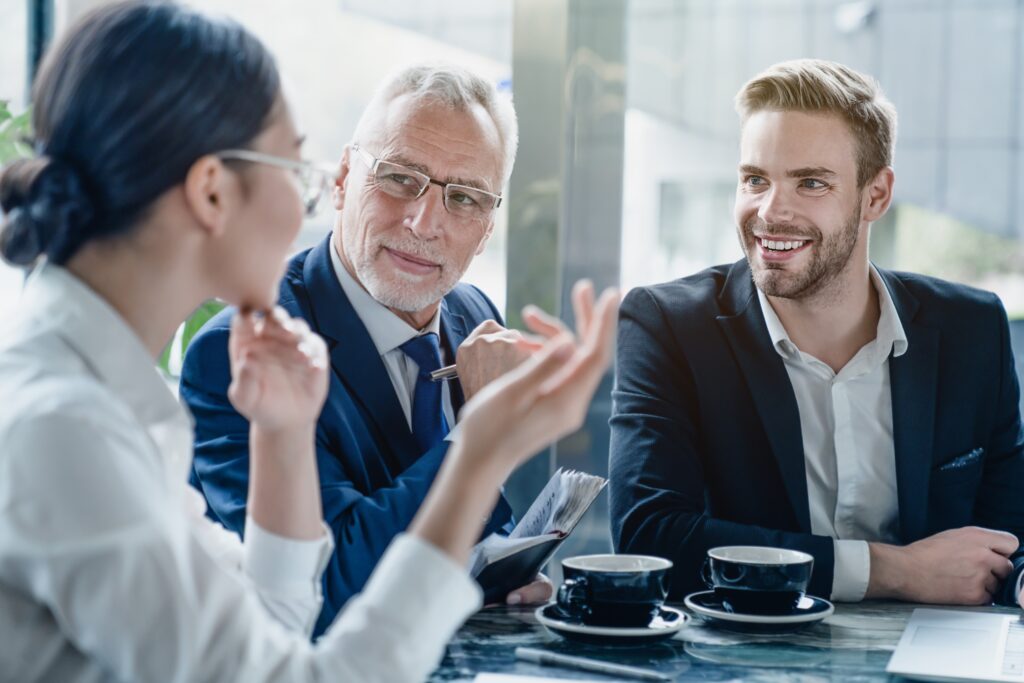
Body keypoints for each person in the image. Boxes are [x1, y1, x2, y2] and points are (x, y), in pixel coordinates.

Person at [0, 3, 618, 682]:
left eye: (466, 198)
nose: (309, 204)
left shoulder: (106, 403)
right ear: (211, 192)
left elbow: (272, 621)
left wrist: (285, 438)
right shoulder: (65, 429)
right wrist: (476, 454)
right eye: (297, 170)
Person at [609, 58, 1024, 607]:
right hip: (748, 646)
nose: (770, 211)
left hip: (940, 645)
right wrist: (894, 571)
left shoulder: (972, 329)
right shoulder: (668, 326)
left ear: (875, 196)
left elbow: (1009, 532)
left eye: (810, 183)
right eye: (755, 180)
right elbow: (649, 538)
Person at [179, 64, 552, 634]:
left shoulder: (475, 315)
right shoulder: (243, 353)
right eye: (400, 178)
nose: (424, 223)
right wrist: (477, 437)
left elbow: (470, 524)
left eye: (464, 198)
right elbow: (324, 594)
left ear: (486, 229)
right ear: (342, 178)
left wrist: (496, 572)